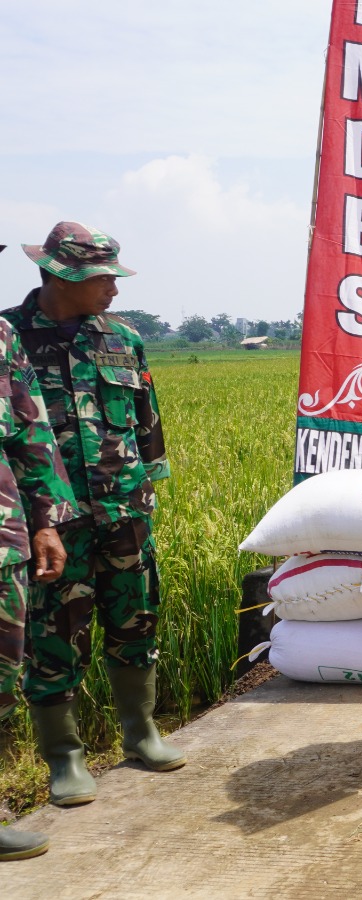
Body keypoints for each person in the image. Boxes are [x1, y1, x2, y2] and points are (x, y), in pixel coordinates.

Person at [4, 222, 184, 807]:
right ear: (59, 276)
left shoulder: (122, 340)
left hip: (124, 509)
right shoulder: (12, 337)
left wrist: (149, 491)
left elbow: (146, 420)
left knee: (136, 621)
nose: (113, 287)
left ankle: (141, 732)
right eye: (101, 277)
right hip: (52, 520)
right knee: (56, 639)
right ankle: (65, 758)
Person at [0, 295, 73, 860]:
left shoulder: (1, 337)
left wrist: (46, 523)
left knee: (1, 679)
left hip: (3, 543)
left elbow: (30, 435)